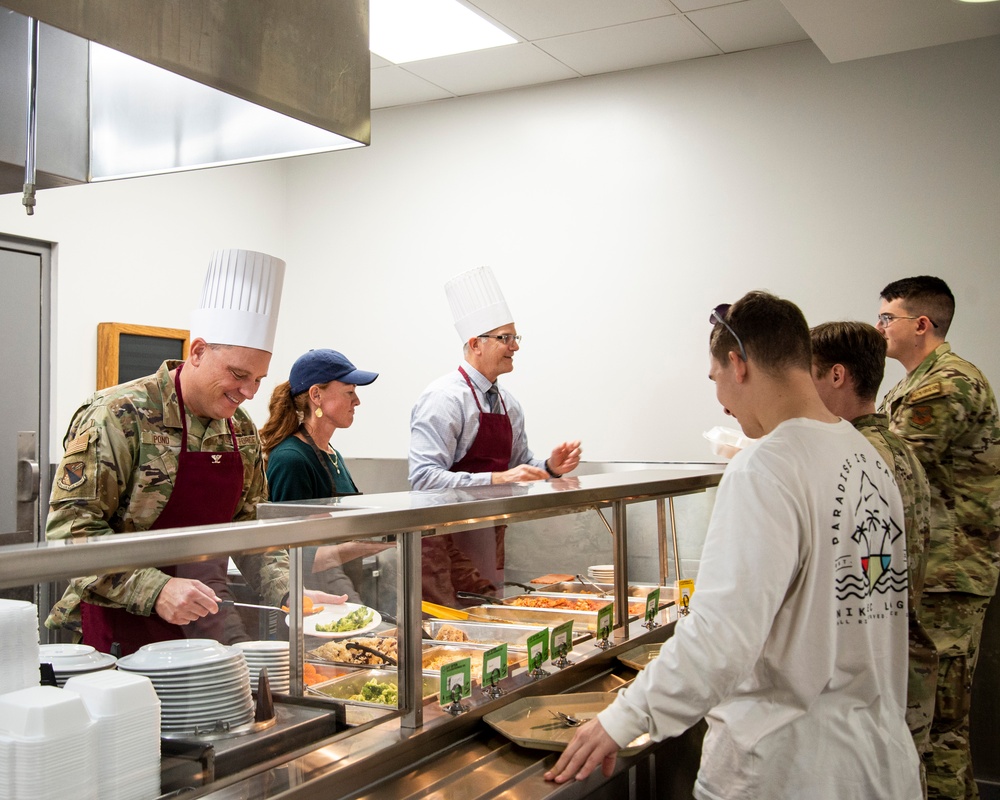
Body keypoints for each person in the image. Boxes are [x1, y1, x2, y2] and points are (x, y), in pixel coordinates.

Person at [546, 291, 920, 799]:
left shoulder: (767, 464)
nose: (719, 398)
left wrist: (621, 720)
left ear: (738, 364)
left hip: (787, 769)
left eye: (714, 377)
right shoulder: (865, 456)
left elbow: (722, 636)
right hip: (875, 763)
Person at [44, 249, 341, 656]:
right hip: (115, 637)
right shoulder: (118, 416)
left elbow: (253, 532)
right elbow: (69, 537)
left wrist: (293, 594)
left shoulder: (240, 428)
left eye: (258, 379)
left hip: (204, 627)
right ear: (198, 351)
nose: (249, 392)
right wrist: (157, 589)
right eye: (238, 374)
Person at [876, 276, 1000, 800]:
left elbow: (891, 467)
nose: (878, 327)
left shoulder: (945, 383)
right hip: (935, 571)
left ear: (921, 324)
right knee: (929, 726)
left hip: (950, 575)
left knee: (939, 732)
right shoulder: (914, 382)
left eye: (887, 318)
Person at [409, 266, 581, 606]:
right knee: (448, 640)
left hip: (488, 541)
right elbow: (423, 480)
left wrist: (549, 467)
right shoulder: (443, 399)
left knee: (489, 631)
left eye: (516, 337)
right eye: (506, 338)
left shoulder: (508, 403)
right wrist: (497, 477)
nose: (515, 346)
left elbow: (520, 466)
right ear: (476, 344)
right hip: (442, 548)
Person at [810, 320, 937, 771]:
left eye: (807, 374)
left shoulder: (856, 461)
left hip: (881, 669)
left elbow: (868, 577)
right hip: (904, 658)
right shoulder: (894, 448)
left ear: (837, 376)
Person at [260, 348, 391, 606]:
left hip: (340, 592)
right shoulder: (291, 459)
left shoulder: (332, 454)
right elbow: (293, 555)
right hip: (310, 606)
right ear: (316, 395)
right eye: (349, 391)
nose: (357, 401)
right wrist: (361, 547)